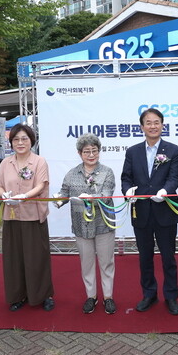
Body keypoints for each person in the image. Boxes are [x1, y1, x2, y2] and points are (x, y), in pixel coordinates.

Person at [121, 108, 178, 315]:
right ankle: (149, 294)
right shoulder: (132, 152)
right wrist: (127, 191)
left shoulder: (173, 150)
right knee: (145, 257)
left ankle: (171, 296)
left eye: (157, 122)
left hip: (165, 210)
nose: (153, 126)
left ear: (162, 125)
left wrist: (166, 191)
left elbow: (174, 177)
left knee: (168, 257)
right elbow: (126, 178)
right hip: (141, 211)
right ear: (142, 127)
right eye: (148, 123)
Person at [54, 133, 117, 315]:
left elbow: (106, 195)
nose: (91, 155)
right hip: (81, 225)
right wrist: (58, 200)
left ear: (99, 151)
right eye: (86, 151)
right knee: (86, 262)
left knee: (106, 262)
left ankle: (108, 297)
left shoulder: (107, 172)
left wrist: (90, 197)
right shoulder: (72, 174)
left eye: (94, 151)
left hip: (103, 223)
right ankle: (91, 296)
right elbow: (64, 193)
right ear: (79, 153)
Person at [0, 124, 54, 312]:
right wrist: (4, 195)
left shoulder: (39, 161)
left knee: (36, 258)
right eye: (16, 139)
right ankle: (17, 295)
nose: (20, 143)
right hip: (11, 216)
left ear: (31, 141)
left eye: (24, 139)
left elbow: (41, 185)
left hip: (33, 216)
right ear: (11, 142)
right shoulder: (6, 163)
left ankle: (43, 295)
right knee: (14, 258)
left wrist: (24, 196)